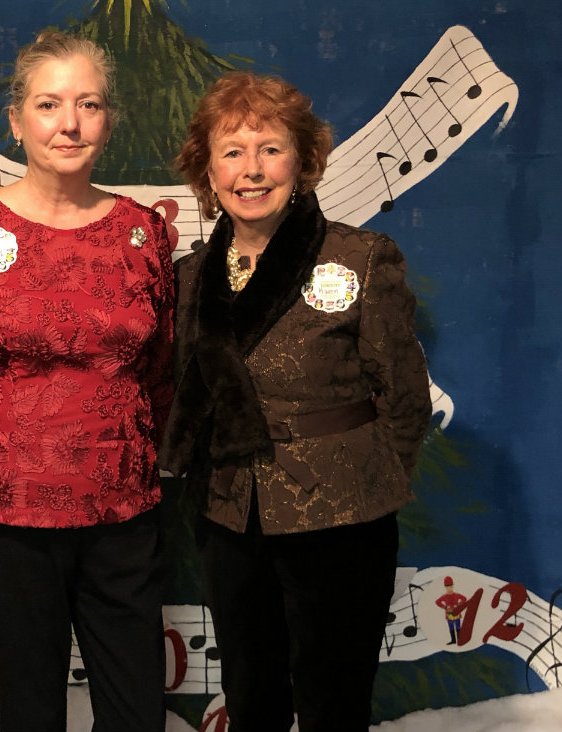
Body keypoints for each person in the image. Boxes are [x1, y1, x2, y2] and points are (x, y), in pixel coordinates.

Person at [0, 31, 174, 732]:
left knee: (137, 714)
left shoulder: (144, 233)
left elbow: (161, 367)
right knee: (29, 714)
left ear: (109, 122)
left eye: (89, 105)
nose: (70, 124)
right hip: (1, 517)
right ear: (17, 120)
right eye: (50, 104)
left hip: (120, 512)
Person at [161, 72, 432, 732]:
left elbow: (404, 396)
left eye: (271, 149)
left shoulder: (361, 258)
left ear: (303, 161)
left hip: (342, 510)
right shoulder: (189, 277)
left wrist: (363, 478)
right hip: (230, 510)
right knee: (249, 691)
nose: (251, 170)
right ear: (208, 171)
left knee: (333, 697)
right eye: (232, 151)